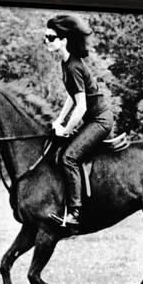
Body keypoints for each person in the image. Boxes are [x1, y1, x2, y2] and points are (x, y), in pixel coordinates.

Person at [45, 14, 114, 226]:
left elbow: (81, 106)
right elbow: (72, 97)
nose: (46, 41)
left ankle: (74, 213)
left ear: (64, 40)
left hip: (100, 120)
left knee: (68, 157)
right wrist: (60, 121)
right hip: (92, 118)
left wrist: (65, 129)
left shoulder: (73, 66)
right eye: (45, 37)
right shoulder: (66, 63)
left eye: (50, 37)